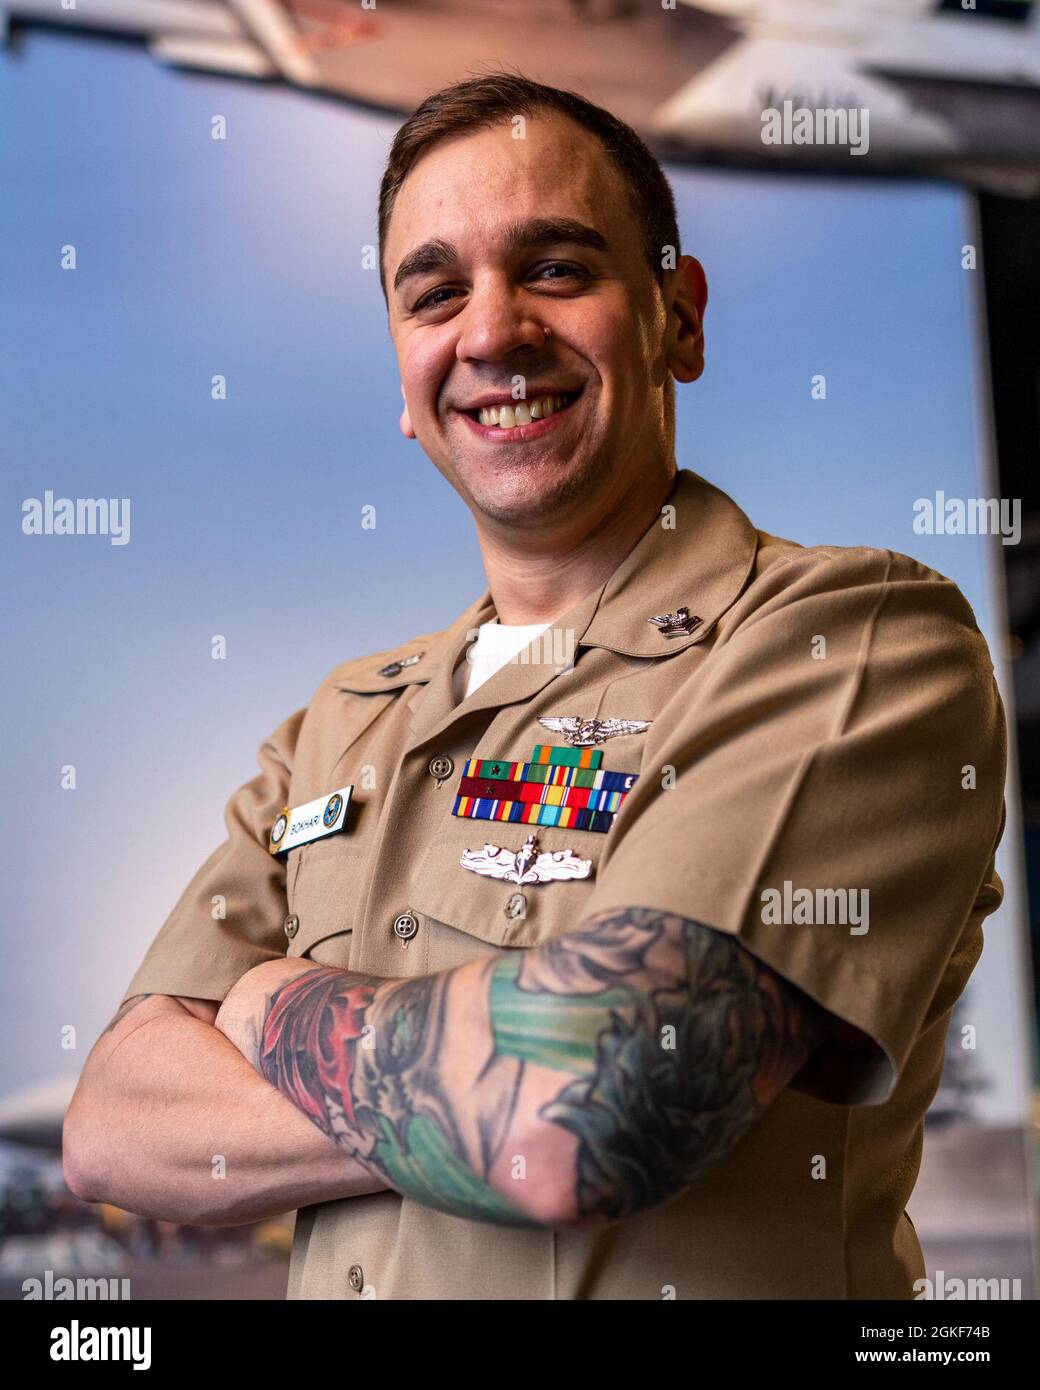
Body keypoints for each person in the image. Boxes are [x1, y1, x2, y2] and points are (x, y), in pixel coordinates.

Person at [63, 74, 1007, 1300]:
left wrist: (265, 1001)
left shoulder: (853, 643)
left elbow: (597, 1103)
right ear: (404, 382)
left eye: (555, 269)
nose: (491, 332)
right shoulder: (337, 727)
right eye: (434, 293)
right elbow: (113, 1126)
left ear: (679, 319)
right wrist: (473, 1093)